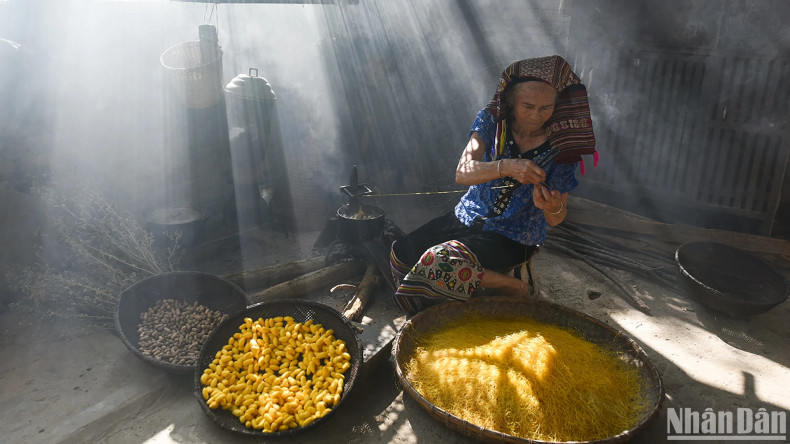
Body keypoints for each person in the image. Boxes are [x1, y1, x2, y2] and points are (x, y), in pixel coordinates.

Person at [389, 55, 597, 314]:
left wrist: (551, 206)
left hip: (512, 235)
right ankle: (460, 286)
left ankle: (515, 287)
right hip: (466, 217)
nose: (536, 115)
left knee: (437, 263)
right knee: (400, 254)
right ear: (510, 101)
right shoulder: (491, 121)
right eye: (528, 106)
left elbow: (556, 218)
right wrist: (507, 166)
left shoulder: (561, 147)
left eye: (546, 108)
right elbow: (463, 172)